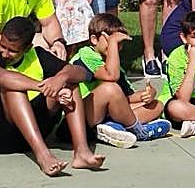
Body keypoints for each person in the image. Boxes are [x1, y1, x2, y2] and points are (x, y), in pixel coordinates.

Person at [0, 16, 104, 176]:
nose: (5, 53)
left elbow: (80, 72)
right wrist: (48, 88)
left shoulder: (38, 55)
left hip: (26, 134)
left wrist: (60, 79)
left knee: (69, 82)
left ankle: (82, 152)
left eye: (12, 51)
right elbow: (3, 77)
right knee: (12, 89)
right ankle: (44, 156)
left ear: (27, 48)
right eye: (3, 46)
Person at [72, 14, 170, 145]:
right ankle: (139, 131)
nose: (116, 47)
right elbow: (111, 77)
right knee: (110, 88)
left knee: (157, 106)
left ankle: (113, 128)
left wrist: (147, 95)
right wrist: (112, 43)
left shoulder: (115, 66)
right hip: (78, 119)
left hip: (103, 116)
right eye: (111, 41)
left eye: (119, 43)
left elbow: (125, 98)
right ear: (94, 40)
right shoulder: (86, 54)